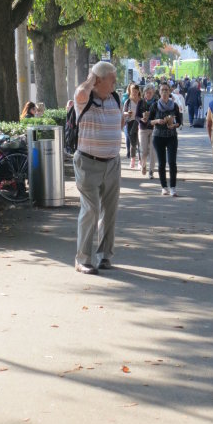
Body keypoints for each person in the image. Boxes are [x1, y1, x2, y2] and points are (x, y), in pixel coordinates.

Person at [73, 61, 123, 275]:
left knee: (109, 212)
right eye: (111, 79)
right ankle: (82, 259)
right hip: (88, 163)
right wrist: (91, 78)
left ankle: (105, 256)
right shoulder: (85, 98)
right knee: (91, 209)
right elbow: (81, 93)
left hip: (112, 163)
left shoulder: (115, 98)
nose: (115, 83)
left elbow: (118, 123)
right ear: (99, 80)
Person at [148, 83, 182, 196]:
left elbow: (179, 122)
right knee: (161, 163)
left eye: (166, 90)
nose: (164, 92)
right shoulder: (154, 105)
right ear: (159, 92)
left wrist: (174, 125)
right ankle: (164, 187)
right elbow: (149, 121)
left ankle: (173, 187)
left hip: (171, 136)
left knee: (172, 162)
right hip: (158, 137)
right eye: (162, 90)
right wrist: (157, 121)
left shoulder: (175, 106)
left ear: (169, 91)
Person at [137, 83, 158, 178]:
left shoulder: (157, 103)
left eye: (150, 93)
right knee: (144, 151)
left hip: (154, 129)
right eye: (146, 93)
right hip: (143, 128)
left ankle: (151, 171)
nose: (148, 94)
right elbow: (136, 116)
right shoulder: (140, 102)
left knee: (153, 151)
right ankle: (144, 165)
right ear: (144, 93)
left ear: (153, 93)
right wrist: (141, 119)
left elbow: (159, 115)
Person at [123, 83, 142, 169]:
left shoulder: (141, 101)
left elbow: (146, 111)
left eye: (135, 91)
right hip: (130, 123)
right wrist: (127, 113)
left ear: (138, 91)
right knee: (133, 143)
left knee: (140, 143)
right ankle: (132, 160)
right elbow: (123, 113)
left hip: (140, 123)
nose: (134, 93)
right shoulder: (128, 102)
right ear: (130, 91)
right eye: (132, 91)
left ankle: (140, 161)